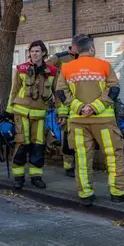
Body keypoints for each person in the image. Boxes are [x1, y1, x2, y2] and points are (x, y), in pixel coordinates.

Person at [55, 36, 124, 207]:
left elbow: (61, 93)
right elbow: (114, 89)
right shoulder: (104, 66)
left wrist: (79, 107)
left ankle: (85, 194)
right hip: (103, 120)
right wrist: (95, 107)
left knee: (83, 157)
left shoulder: (66, 68)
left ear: (76, 50)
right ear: (91, 49)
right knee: (113, 155)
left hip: (78, 121)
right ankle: (118, 192)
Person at [6, 40, 57, 190]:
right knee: (21, 144)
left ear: (43, 53)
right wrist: (9, 111)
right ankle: (18, 177)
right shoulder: (21, 69)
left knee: (38, 146)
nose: (34, 54)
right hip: (21, 114)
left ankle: (36, 177)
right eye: (32, 51)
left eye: (37, 51)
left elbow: (57, 94)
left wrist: (62, 113)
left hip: (40, 115)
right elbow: (14, 91)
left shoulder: (52, 71)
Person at [47, 33, 89, 178]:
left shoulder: (84, 59)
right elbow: (45, 71)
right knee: (68, 137)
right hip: (64, 103)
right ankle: (68, 166)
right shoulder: (59, 58)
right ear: (75, 46)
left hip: (82, 103)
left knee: (82, 137)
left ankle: (80, 165)